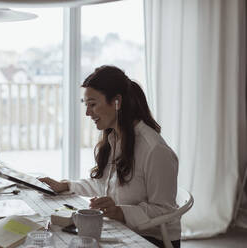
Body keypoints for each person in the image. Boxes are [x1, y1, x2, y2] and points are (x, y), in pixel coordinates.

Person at [39, 65, 181, 248]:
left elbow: (164, 210)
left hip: (152, 239)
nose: (87, 113)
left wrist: (120, 212)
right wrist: (66, 185)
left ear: (117, 102)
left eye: (93, 104)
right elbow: (104, 183)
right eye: (86, 105)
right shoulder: (114, 138)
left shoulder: (155, 150)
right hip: (123, 229)